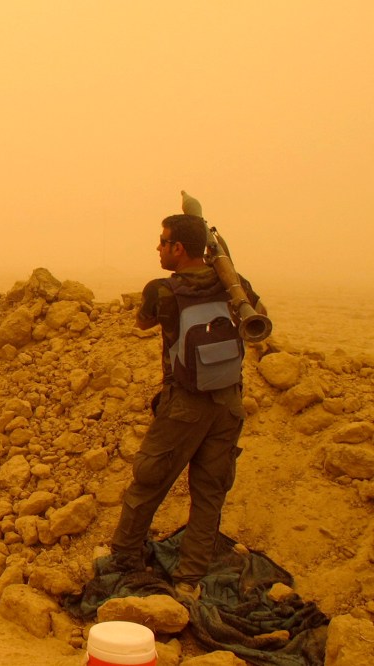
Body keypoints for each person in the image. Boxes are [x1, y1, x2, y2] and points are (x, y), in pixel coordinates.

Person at [110, 212, 265, 600]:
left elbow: (143, 323)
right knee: (210, 492)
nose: (158, 248)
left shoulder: (162, 290)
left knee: (149, 480)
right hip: (229, 401)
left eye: (163, 242)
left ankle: (125, 558)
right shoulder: (234, 283)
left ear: (179, 248)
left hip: (184, 405)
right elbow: (257, 314)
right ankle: (190, 577)